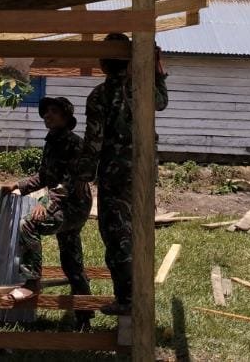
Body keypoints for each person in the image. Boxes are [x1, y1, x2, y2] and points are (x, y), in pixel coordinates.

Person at [76, 33, 168, 316]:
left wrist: (83, 176)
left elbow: (94, 139)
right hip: (143, 170)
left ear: (103, 63)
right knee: (138, 230)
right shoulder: (142, 88)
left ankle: (128, 299)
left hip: (115, 173)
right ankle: (138, 294)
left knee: (117, 236)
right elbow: (162, 102)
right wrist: (157, 71)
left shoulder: (100, 95)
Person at [1, 96, 94, 329]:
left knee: (29, 224)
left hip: (74, 205)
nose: (47, 115)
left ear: (66, 117)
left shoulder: (74, 144)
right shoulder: (52, 141)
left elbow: (69, 182)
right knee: (72, 262)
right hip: (64, 203)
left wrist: (47, 204)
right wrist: (18, 186)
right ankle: (85, 317)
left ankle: (32, 281)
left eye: (54, 112)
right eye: (46, 112)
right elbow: (44, 176)